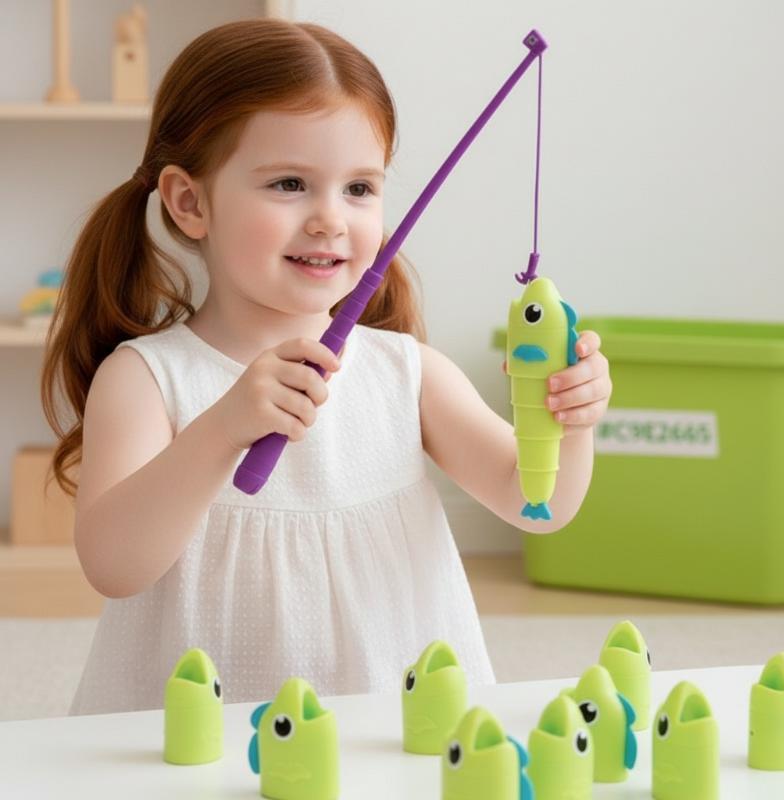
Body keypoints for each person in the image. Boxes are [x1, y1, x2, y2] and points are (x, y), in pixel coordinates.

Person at [42, 18, 612, 715]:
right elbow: (114, 566)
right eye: (290, 183)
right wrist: (223, 428)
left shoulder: (408, 373)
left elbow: (537, 504)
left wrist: (568, 423)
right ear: (189, 202)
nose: (330, 220)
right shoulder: (147, 379)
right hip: (200, 738)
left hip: (389, 726)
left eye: (360, 189)